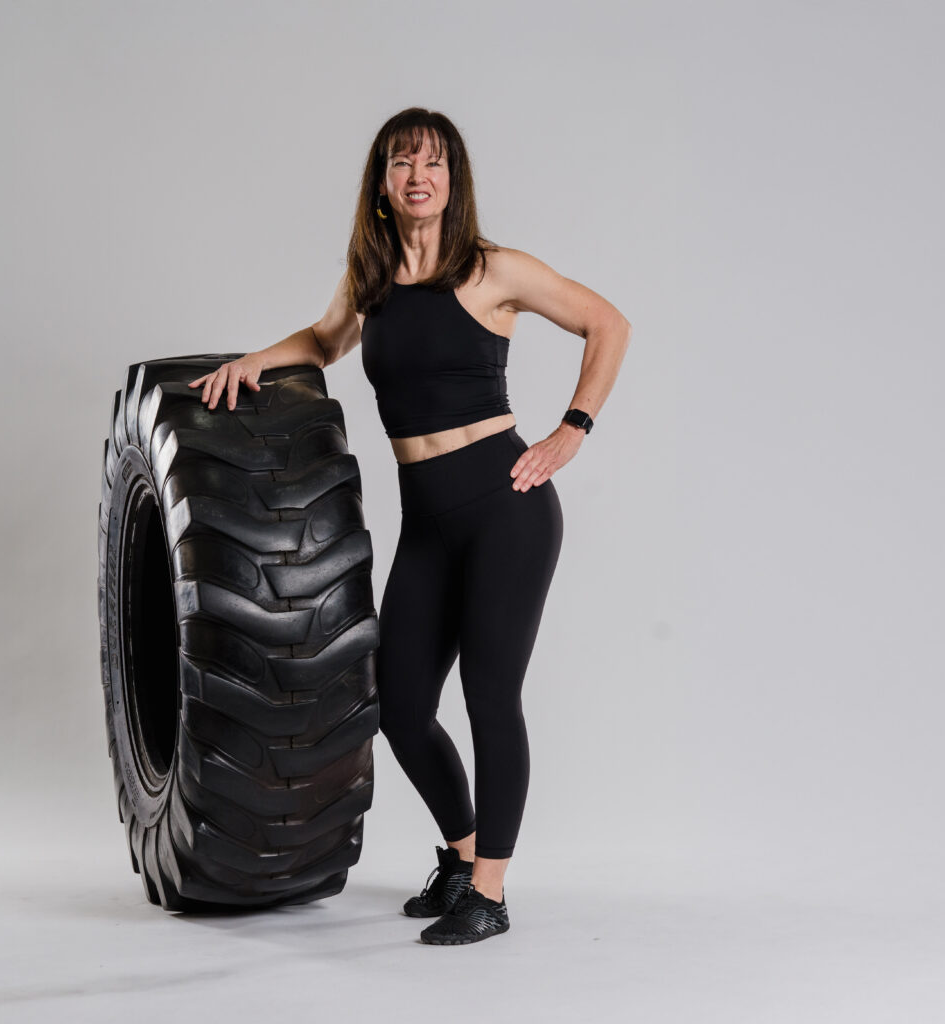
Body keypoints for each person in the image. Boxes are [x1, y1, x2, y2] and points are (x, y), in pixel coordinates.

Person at [188, 108, 631, 944]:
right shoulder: (374, 276)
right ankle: (463, 857)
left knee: (489, 697)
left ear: (452, 181)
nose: (418, 176)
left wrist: (572, 429)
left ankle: (491, 895)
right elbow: (323, 341)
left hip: (507, 510)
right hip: (429, 523)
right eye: (402, 163)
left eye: (433, 163)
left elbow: (608, 323)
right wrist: (255, 360)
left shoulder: (493, 270)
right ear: (384, 185)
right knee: (397, 704)